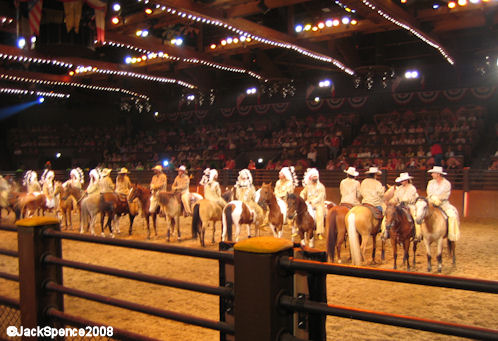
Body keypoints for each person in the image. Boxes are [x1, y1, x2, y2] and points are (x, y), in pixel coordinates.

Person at [381, 172, 421, 241]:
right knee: (387, 216)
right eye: (401, 181)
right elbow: (395, 198)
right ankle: (385, 232)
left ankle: (417, 234)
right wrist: (391, 201)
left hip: (409, 205)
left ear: (407, 180)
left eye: (403, 180)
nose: (402, 182)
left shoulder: (412, 188)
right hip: (399, 206)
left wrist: (404, 201)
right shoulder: (399, 189)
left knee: (415, 217)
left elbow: (411, 198)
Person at [426, 166, 460, 241]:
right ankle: (421, 233)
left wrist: (438, 199)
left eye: (433, 173)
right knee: (422, 213)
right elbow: (429, 193)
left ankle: (451, 233)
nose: (432, 174)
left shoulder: (447, 183)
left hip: (443, 203)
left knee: (452, 215)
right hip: (432, 202)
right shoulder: (430, 183)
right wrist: (433, 199)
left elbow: (445, 194)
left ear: (438, 174)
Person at [300, 168, 326, 240]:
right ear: (311, 177)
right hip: (308, 203)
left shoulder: (321, 186)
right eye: (313, 177)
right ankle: (299, 228)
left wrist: (313, 201)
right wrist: (301, 198)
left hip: (318, 204)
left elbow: (321, 196)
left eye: (316, 177)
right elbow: (303, 192)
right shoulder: (308, 186)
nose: (315, 178)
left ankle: (319, 232)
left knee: (320, 214)